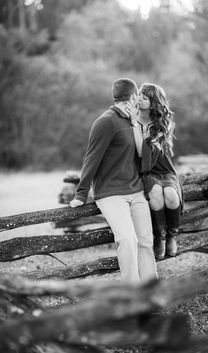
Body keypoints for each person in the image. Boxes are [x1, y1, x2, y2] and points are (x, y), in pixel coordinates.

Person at [70, 78, 157, 283]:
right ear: (133, 96)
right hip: (111, 193)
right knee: (128, 239)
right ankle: (133, 293)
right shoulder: (106, 122)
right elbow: (91, 158)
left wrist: (136, 124)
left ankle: (151, 290)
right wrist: (81, 193)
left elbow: (143, 157)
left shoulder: (133, 121)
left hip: (135, 190)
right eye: (138, 96)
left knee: (145, 241)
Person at [126, 83, 183, 260]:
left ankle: (172, 235)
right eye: (140, 95)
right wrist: (134, 122)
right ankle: (160, 237)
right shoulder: (130, 120)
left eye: (145, 97)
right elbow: (142, 155)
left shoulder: (160, 125)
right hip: (147, 170)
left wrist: (135, 124)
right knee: (157, 192)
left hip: (164, 170)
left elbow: (145, 150)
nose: (140, 98)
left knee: (171, 195)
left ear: (153, 103)